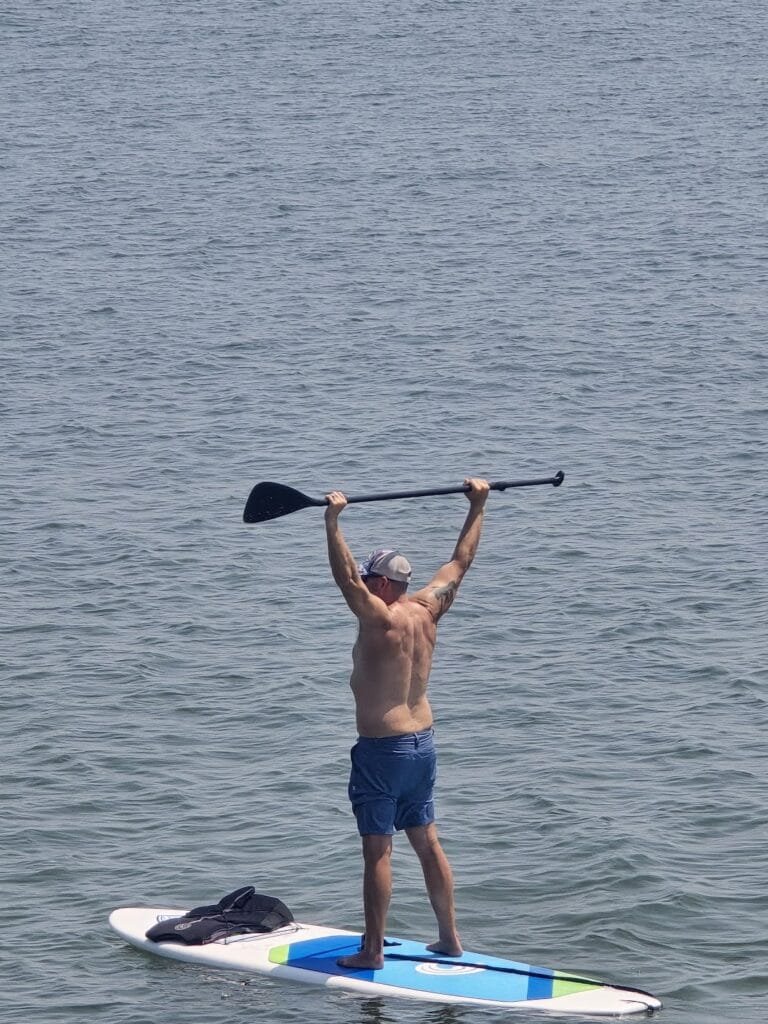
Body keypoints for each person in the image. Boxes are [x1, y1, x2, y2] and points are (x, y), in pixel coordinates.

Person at [324, 477, 490, 970]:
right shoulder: (428, 609)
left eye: (372, 580)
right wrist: (478, 505)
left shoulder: (380, 619)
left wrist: (332, 520)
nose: (369, 585)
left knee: (378, 849)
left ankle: (372, 951)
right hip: (423, 744)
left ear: (380, 583)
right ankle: (449, 938)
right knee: (426, 839)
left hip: (382, 751)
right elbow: (461, 562)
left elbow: (345, 580)